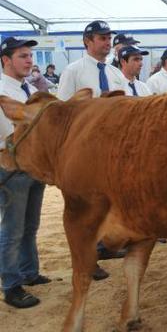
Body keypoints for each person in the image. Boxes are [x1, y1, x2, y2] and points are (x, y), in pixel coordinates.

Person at [55, 20, 128, 280]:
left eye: (109, 38)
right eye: (101, 38)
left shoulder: (115, 73)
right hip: (85, 150)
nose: (107, 42)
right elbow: (61, 111)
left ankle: (104, 247)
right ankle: (88, 260)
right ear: (87, 41)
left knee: (108, 202)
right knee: (85, 207)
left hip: (114, 148)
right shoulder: (73, 71)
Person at [0, 37, 51, 309]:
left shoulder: (29, 87)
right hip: (11, 167)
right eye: (23, 56)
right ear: (6, 60)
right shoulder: (1, 90)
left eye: (31, 55)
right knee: (12, 229)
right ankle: (11, 286)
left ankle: (29, 272)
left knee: (30, 226)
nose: (30, 60)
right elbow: (9, 134)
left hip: (33, 165)